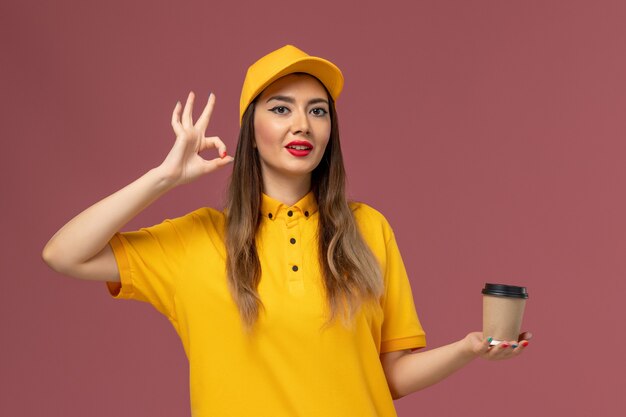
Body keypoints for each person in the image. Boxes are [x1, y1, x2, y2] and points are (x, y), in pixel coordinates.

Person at [43, 45, 531, 417]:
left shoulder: (368, 228)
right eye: (281, 108)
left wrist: (470, 348)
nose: (302, 124)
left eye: (317, 110)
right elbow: (64, 254)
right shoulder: (197, 239)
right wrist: (162, 178)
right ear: (249, 127)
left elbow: (389, 376)